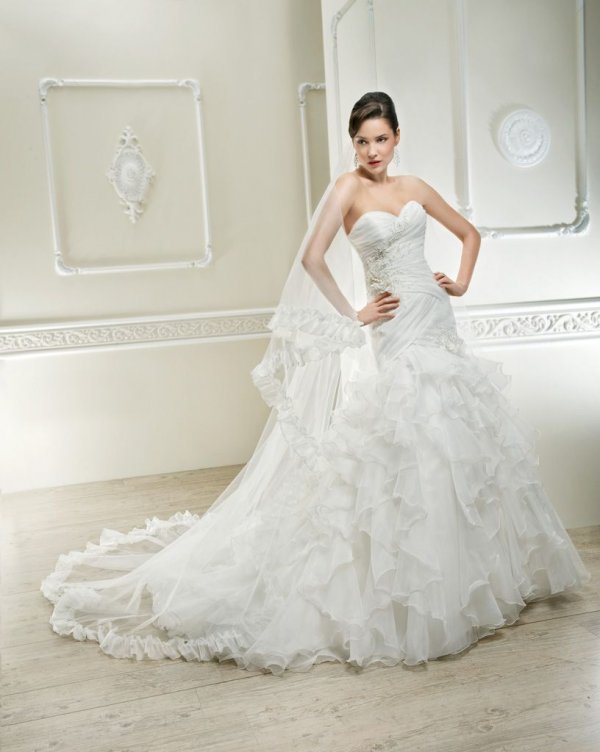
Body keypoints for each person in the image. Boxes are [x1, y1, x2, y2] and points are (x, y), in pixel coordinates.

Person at [41, 92, 591, 676]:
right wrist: (354, 314)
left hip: (435, 317)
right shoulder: (346, 189)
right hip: (396, 327)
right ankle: (415, 588)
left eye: (381, 139)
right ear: (353, 143)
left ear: (397, 137)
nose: (372, 151)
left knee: (454, 436)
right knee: (413, 433)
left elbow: (469, 234)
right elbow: (311, 258)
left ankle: (466, 581)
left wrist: (459, 282)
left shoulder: (415, 187)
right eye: (362, 141)